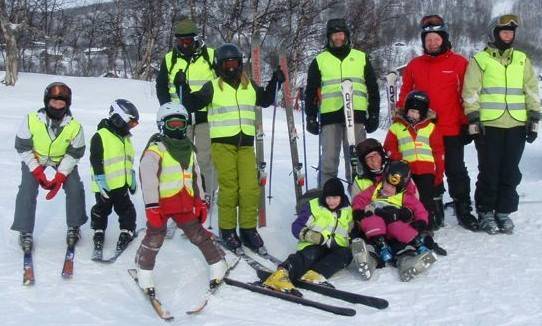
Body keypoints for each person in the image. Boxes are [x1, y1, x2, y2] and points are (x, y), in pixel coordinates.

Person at [179, 43, 283, 252]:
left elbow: (266, 100)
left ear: (240, 63)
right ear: (219, 65)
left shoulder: (249, 86)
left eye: (235, 63)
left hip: (245, 145)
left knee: (249, 188)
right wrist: (182, 85)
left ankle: (247, 229)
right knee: (229, 188)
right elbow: (190, 104)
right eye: (227, 63)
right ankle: (227, 230)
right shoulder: (213, 87)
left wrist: (275, 81)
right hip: (222, 144)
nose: (231, 67)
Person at [134, 102, 227, 292]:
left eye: (181, 124)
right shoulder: (156, 150)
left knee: (198, 235)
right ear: (162, 125)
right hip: (161, 206)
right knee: (155, 237)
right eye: (172, 125)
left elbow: (195, 178)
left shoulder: (189, 149)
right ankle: (143, 270)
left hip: (184, 204)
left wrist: (200, 202)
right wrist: (152, 206)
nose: (177, 129)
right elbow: (148, 178)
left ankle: (218, 264)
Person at [397, 15, 478, 231]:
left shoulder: (459, 62)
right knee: (429, 171)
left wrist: (467, 124)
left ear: (444, 38)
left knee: (455, 169)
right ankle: (434, 206)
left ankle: (463, 208)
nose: (432, 43)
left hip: (451, 128)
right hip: (423, 130)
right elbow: (405, 93)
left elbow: (467, 95)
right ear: (424, 41)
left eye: (436, 38)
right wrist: (402, 115)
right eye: (428, 39)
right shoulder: (415, 64)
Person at [462, 14, 540, 234]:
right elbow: (470, 91)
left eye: (511, 32)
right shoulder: (480, 60)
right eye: (504, 32)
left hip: (516, 124)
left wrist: (534, 117)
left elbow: (532, 89)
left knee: (511, 171)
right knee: (489, 171)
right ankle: (486, 211)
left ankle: (503, 212)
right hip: (490, 125)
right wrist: (474, 118)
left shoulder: (522, 59)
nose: (508, 35)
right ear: (495, 34)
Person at [12, 82, 87, 252]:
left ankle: (74, 226)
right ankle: (25, 231)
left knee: (74, 187)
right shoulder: (31, 119)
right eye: (54, 102)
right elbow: (22, 146)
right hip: (36, 157)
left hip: (62, 159)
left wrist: (60, 176)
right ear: (47, 102)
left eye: (62, 103)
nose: (57, 106)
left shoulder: (74, 126)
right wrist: (37, 170)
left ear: (67, 105)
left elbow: (75, 153)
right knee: (27, 189)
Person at [304, 18, 380, 186]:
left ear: (346, 36)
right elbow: (310, 91)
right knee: (329, 159)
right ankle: (328, 198)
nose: (338, 38)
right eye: (334, 34)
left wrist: (373, 113)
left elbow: (373, 88)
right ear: (329, 37)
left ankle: (359, 199)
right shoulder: (320, 60)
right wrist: (310, 117)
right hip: (330, 117)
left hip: (356, 116)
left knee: (357, 159)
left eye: (341, 34)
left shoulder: (360, 57)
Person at [156, 18, 218, 205]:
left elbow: (220, 83)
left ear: (195, 39)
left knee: (205, 157)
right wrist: (169, 110)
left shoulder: (210, 55)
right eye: (180, 41)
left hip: (205, 116)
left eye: (188, 41)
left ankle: (208, 192)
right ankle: (186, 191)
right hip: (179, 119)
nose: (184, 44)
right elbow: (161, 87)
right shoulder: (170, 59)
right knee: (181, 157)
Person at [262, 178, 353, 293]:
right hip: (314, 245)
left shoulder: (347, 210)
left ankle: (315, 274)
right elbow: (296, 227)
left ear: (342, 197)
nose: (331, 201)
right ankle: (281, 273)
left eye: (335, 198)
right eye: (328, 198)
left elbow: (351, 229)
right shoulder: (314, 207)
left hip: (335, 248)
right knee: (310, 254)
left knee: (346, 254)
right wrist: (311, 236)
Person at [352, 161, 437, 282]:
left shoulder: (406, 196)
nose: (387, 188)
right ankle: (367, 262)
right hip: (375, 232)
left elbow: (419, 209)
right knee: (371, 237)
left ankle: (408, 264)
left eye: (393, 187)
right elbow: (359, 199)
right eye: (386, 183)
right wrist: (358, 212)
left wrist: (421, 222)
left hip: (394, 230)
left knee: (402, 241)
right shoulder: (374, 189)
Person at [384, 91, 445, 230]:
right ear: (406, 110)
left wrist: (439, 173)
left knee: (425, 199)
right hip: (406, 171)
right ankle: (409, 223)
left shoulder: (430, 127)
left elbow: (438, 151)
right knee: (408, 198)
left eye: (417, 113)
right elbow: (388, 147)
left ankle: (427, 224)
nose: (413, 115)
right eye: (411, 111)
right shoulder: (396, 127)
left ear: (422, 114)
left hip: (426, 170)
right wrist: (397, 157)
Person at [90, 99, 139, 256]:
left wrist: (131, 177)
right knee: (102, 209)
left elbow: (127, 160)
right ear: (119, 118)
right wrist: (100, 179)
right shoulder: (100, 136)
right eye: (130, 123)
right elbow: (95, 160)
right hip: (104, 185)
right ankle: (98, 232)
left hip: (121, 184)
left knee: (126, 210)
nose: (131, 127)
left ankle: (127, 231)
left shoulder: (125, 138)